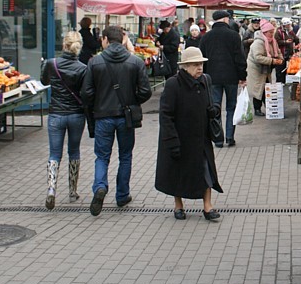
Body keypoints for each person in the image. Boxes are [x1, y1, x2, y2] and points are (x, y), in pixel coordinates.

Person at [81, 25, 152, 216]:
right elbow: (146, 91)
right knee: (125, 156)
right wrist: (132, 101)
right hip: (126, 117)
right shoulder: (135, 62)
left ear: (105, 39)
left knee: (102, 156)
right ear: (122, 40)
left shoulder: (95, 62)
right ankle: (122, 195)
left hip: (103, 117)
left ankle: (100, 187)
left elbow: (86, 93)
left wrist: (98, 103)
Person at [155, 47, 223, 222]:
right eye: (195, 65)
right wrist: (171, 140)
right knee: (178, 173)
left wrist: (213, 110)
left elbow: (213, 104)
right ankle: (178, 205)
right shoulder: (173, 84)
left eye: (201, 64)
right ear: (185, 66)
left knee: (206, 171)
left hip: (201, 138)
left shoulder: (205, 80)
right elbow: (166, 115)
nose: (199, 68)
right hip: (180, 137)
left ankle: (208, 207)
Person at [40, 31, 87, 210]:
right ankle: (73, 191)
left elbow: (43, 80)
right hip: (76, 115)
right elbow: (85, 92)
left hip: (56, 114)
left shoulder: (51, 63)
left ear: (64, 45)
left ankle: (51, 190)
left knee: (54, 153)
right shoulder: (83, 68)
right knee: (74, 151)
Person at [199, 10, 248, 148]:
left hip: (212, 78)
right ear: (226, 20)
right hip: (231, 77)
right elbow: (240, 58)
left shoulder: (206, 37)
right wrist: (242, 76)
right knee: (231, 107)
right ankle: (229, 137)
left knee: (215, 108)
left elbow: (202, 59)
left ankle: (218, 138)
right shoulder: (233, 36)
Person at [248, 20, 283, 116]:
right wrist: (272, 61)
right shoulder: (258, 43)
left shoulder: (273, 41)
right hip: (257, 69)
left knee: (267, 87)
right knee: (259, 89)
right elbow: (257, 57)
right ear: (265, 32)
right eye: (270, 32)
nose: (272, 34)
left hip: (266, 68)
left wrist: (280, 58)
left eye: (273, 32)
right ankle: (257, 109)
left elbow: (278, 52)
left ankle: (269, 107)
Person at [275, 17, 299, 84]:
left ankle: (284, 82)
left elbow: (296, 40)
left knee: (286, 69)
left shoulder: (290, 31)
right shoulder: (278, 32)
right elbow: (276, 42)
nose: (289, 26)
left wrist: (292, 32)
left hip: (289, 53)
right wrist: (285, 42)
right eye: (287, 25)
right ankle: (279, 83)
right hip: (281, 53)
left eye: (289, 25)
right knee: (280, 69)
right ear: (283, 25)